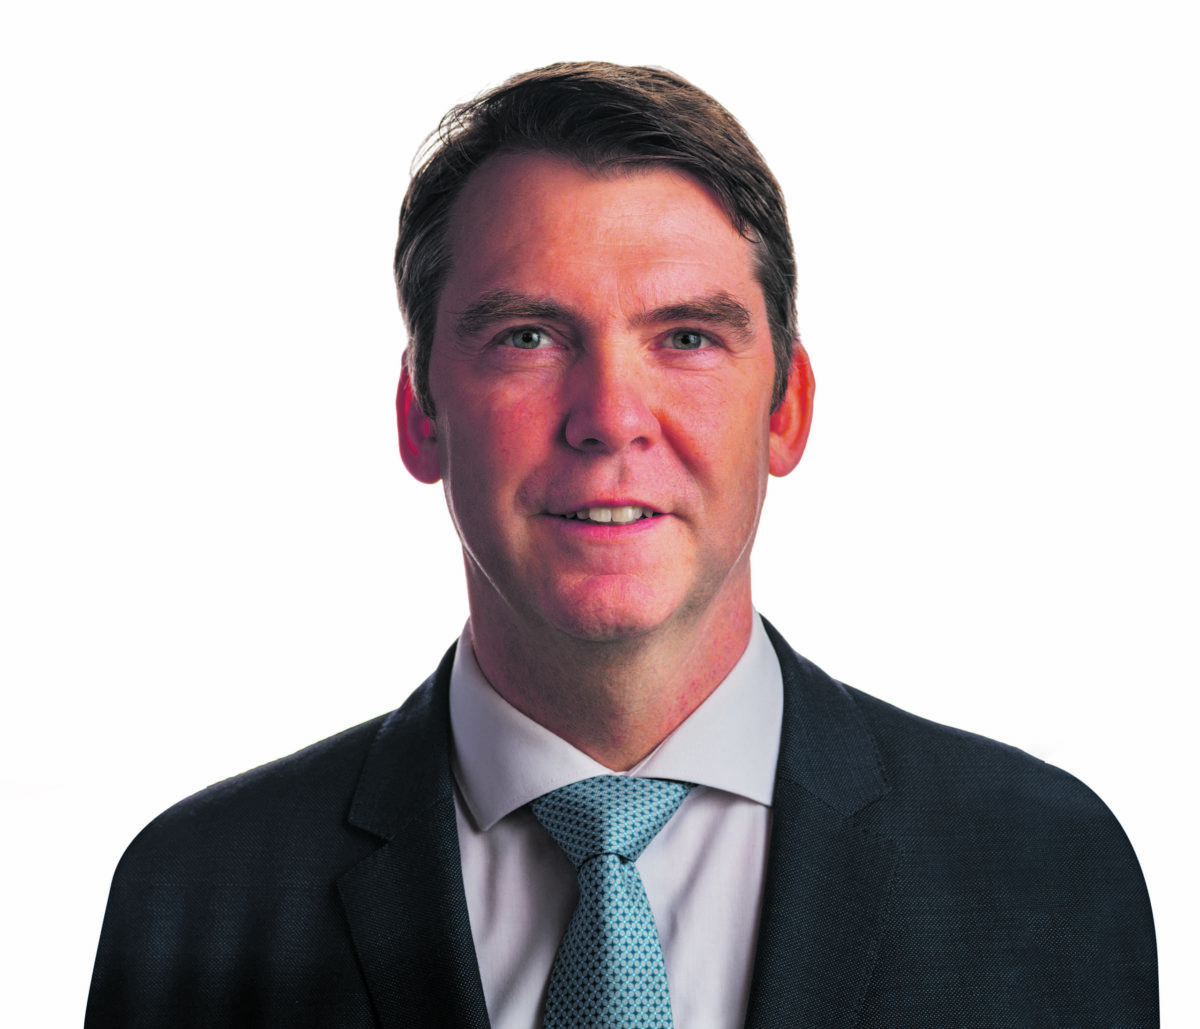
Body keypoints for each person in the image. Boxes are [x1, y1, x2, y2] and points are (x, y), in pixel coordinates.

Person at [85, 62, 1157, 1028]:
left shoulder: (1045, 872)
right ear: (420, 416)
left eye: (686, 337)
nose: (609, 417)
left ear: (786, 411)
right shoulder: (195, 902)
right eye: (528, 338)